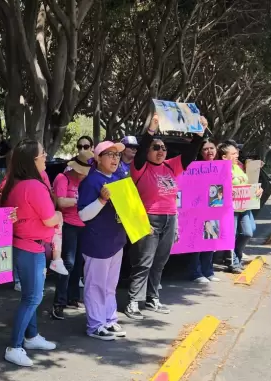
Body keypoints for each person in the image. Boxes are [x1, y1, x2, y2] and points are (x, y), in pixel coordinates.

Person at [124, 114, 207, 320]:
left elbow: (191, 152)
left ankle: (153, 298)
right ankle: (134, 301)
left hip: (170, 218)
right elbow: (142, 150)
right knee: (144, 261)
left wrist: (200, 132)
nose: (161, 151)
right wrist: (150, 130)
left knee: (160, 262)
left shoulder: (171, 166)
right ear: (148, 151)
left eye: (163, 148)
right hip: (148, 219)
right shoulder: (140, 167)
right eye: (156, 147)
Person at [0, 140, 60, 365]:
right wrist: (59, 218)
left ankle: (31, 336)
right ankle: (14, 346)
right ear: (33, 160)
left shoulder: (16, 183)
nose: (46, 157)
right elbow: (50, 218)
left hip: (23, 244)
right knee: (33, 297)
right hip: (30, 246)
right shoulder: (33, 186)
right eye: (43, 154)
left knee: (29, 295)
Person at [77, 141, 129, 340]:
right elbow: (83, 215)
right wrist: (101, 200)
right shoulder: (91, 182)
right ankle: (96, 324)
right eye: (110, 154)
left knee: (109, 285)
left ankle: (109, 319)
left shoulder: (118, 177)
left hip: (115, 241)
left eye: (117, 155)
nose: (115, 158)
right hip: (98, 243)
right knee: (96, 285)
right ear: (98, 158)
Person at [50, 150, 93, 320]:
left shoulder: (87, 180)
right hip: (68, 224)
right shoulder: (63, 178)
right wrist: (80, 201)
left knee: (78, 264)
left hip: (84, 224)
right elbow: (60, 201)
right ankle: (58, 303)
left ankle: (73, 297)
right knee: (68, 263)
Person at [220, 141, 257, 273]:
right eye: (234, 153)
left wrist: (256, 191)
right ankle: (233, 262)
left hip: (244, 207)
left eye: (237, 153)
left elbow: (247, 184)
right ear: (224, 157)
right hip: (231, 209)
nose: (237, 155)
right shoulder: (221, 170)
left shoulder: (237, 167)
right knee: (231, 235)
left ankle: (236, 256)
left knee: (248, 233)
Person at [190, 140, 220, 284]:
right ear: (200, 152)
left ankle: (208, 271)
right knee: (196, 243)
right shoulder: (194, 167)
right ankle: (196, 272)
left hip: (214, 209)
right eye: (205, 149)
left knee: (211, 240)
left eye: (212, 148)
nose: (209, 151)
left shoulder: (221, 167)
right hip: (196, 210)